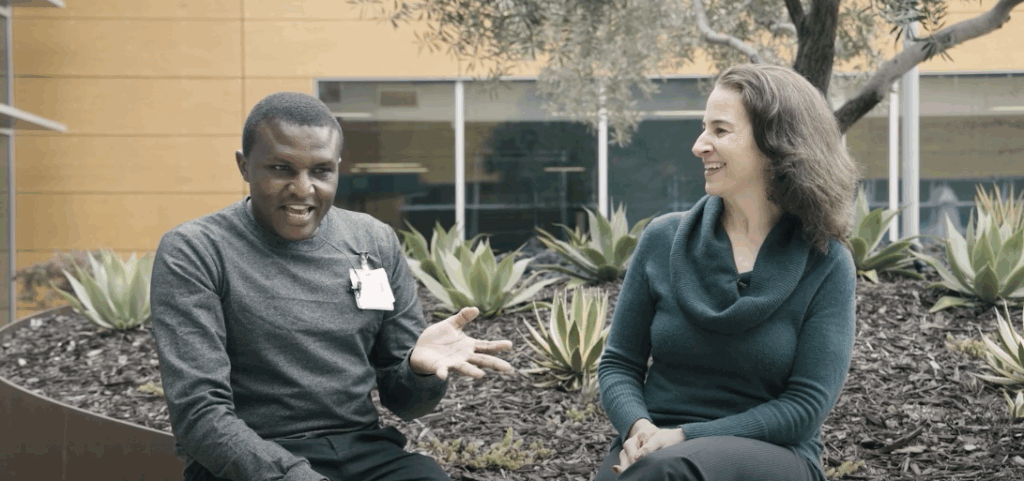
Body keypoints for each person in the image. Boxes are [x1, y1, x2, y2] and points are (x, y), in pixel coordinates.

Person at [150, 92, 515, 481]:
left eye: (321, 171)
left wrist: (418, 371)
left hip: (362, 450)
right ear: (244, 166)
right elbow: (199, 415)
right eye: (281, 169)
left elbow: (404, 402)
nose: (303, 189)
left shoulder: (372, 240)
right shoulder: (195, 251)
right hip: (250, 461)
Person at [594, 64, 860, 481]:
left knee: (666, 472)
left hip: (772, 454)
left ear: (776, 144)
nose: (700, 145)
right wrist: (639, 428)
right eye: (704, 129)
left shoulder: (825, 261)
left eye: (720, 130)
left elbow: (805, 407)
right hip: (652, 448)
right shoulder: (661, 239)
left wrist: (685, 436)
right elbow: (619, 364)